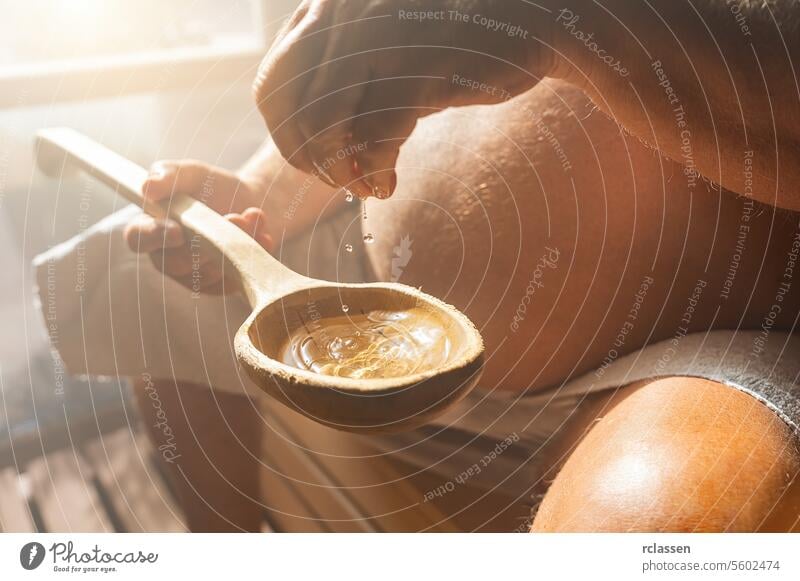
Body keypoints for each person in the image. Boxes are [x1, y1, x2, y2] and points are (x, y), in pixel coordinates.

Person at [45, 1, 800, 531]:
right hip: (370, 253)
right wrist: (259, 195)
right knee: (137, 269)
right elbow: (394, 60)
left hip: (697, 343)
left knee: (652, 522)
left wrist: (565, 14)